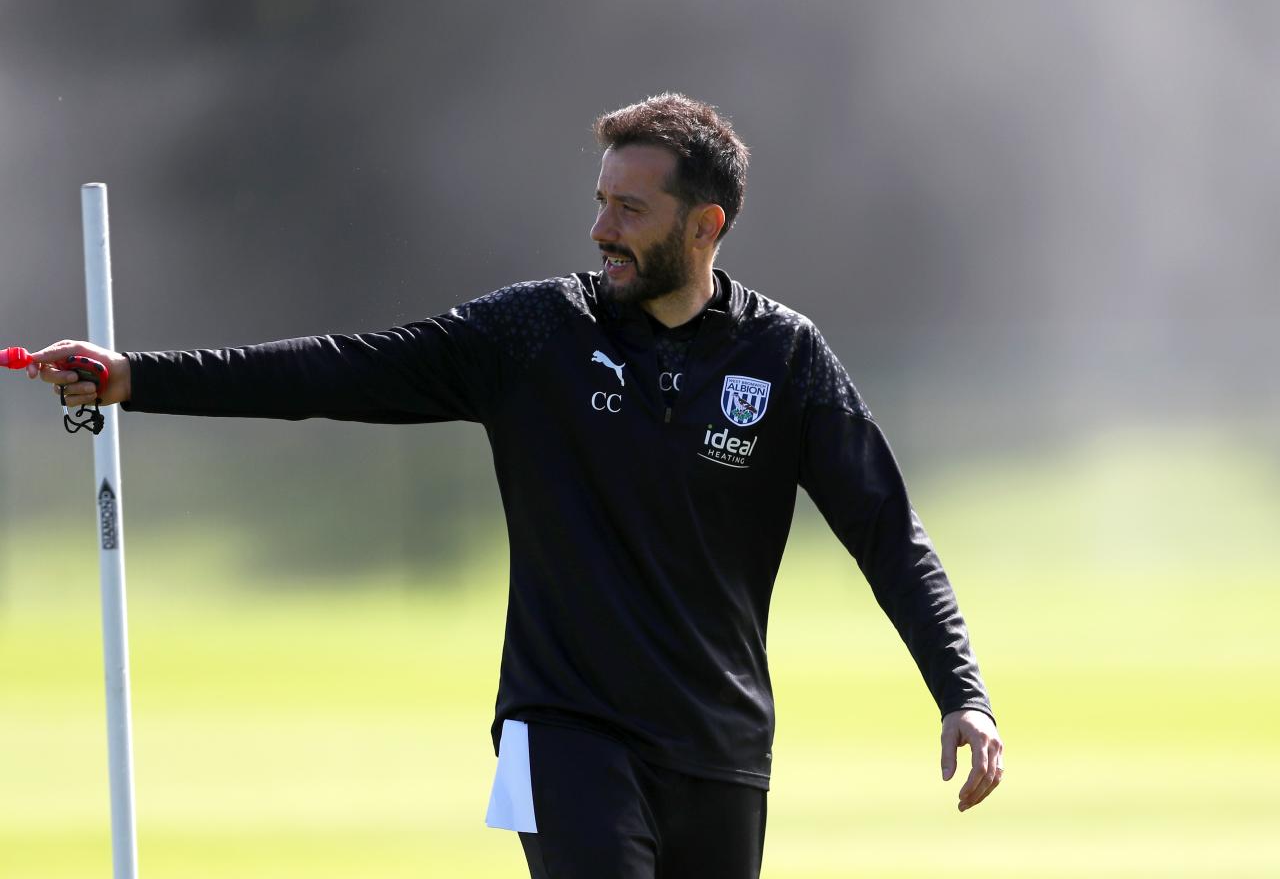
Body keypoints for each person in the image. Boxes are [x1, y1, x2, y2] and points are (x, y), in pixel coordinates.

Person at [31, 93, 1003, 878]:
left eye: (629, 210)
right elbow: (340, 371)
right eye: (599, 201)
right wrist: (137, 377)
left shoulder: (783, 356)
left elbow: (887, 532)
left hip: (723, 748)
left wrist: (962, 692)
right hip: (564, 730)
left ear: (705, 225)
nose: (599, 229)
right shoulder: (536, 334)